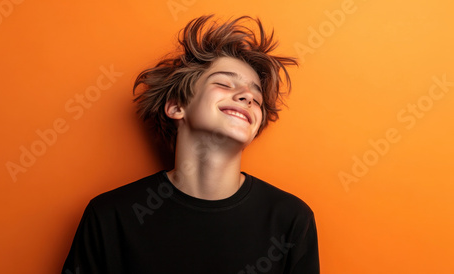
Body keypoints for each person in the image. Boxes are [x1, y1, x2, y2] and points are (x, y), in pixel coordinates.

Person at [62, 14, 320, 274]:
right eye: (224, 83)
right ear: (177, 106)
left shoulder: (291, 220)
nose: (247, 97)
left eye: (257, 98)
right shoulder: (110, 217)